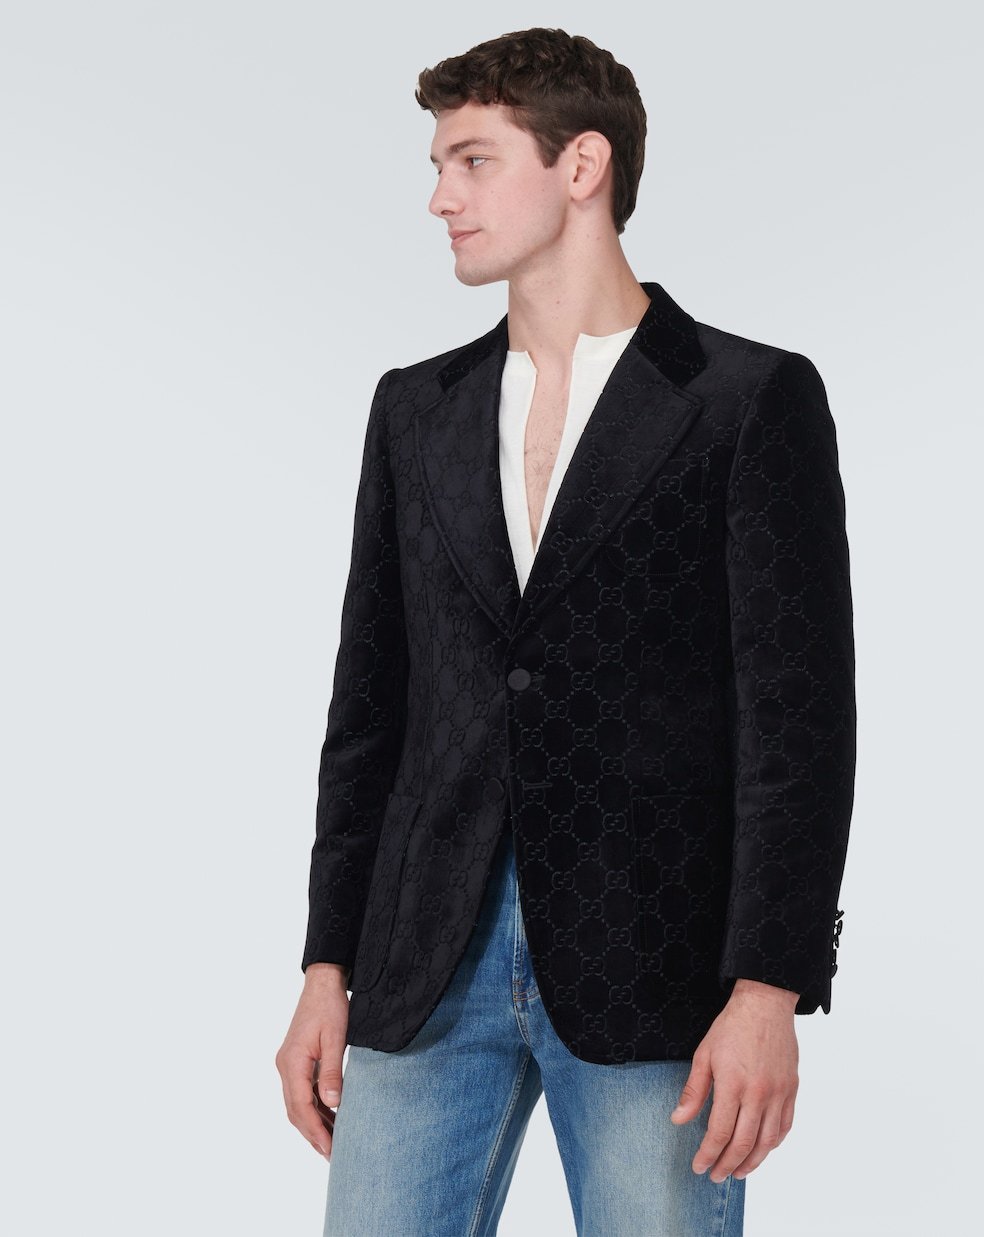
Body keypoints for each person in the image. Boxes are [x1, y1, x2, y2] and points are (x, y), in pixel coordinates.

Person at [275, 26, 855, 1237]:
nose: (440, 198)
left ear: (580, 164)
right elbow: (368, 709)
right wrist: (326, 965)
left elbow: (796, 724)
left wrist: (768, 986)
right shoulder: (414, 410)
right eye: (439, 165)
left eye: (473, 160)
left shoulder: (745, 401)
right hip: (422, 962)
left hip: (655, 961)